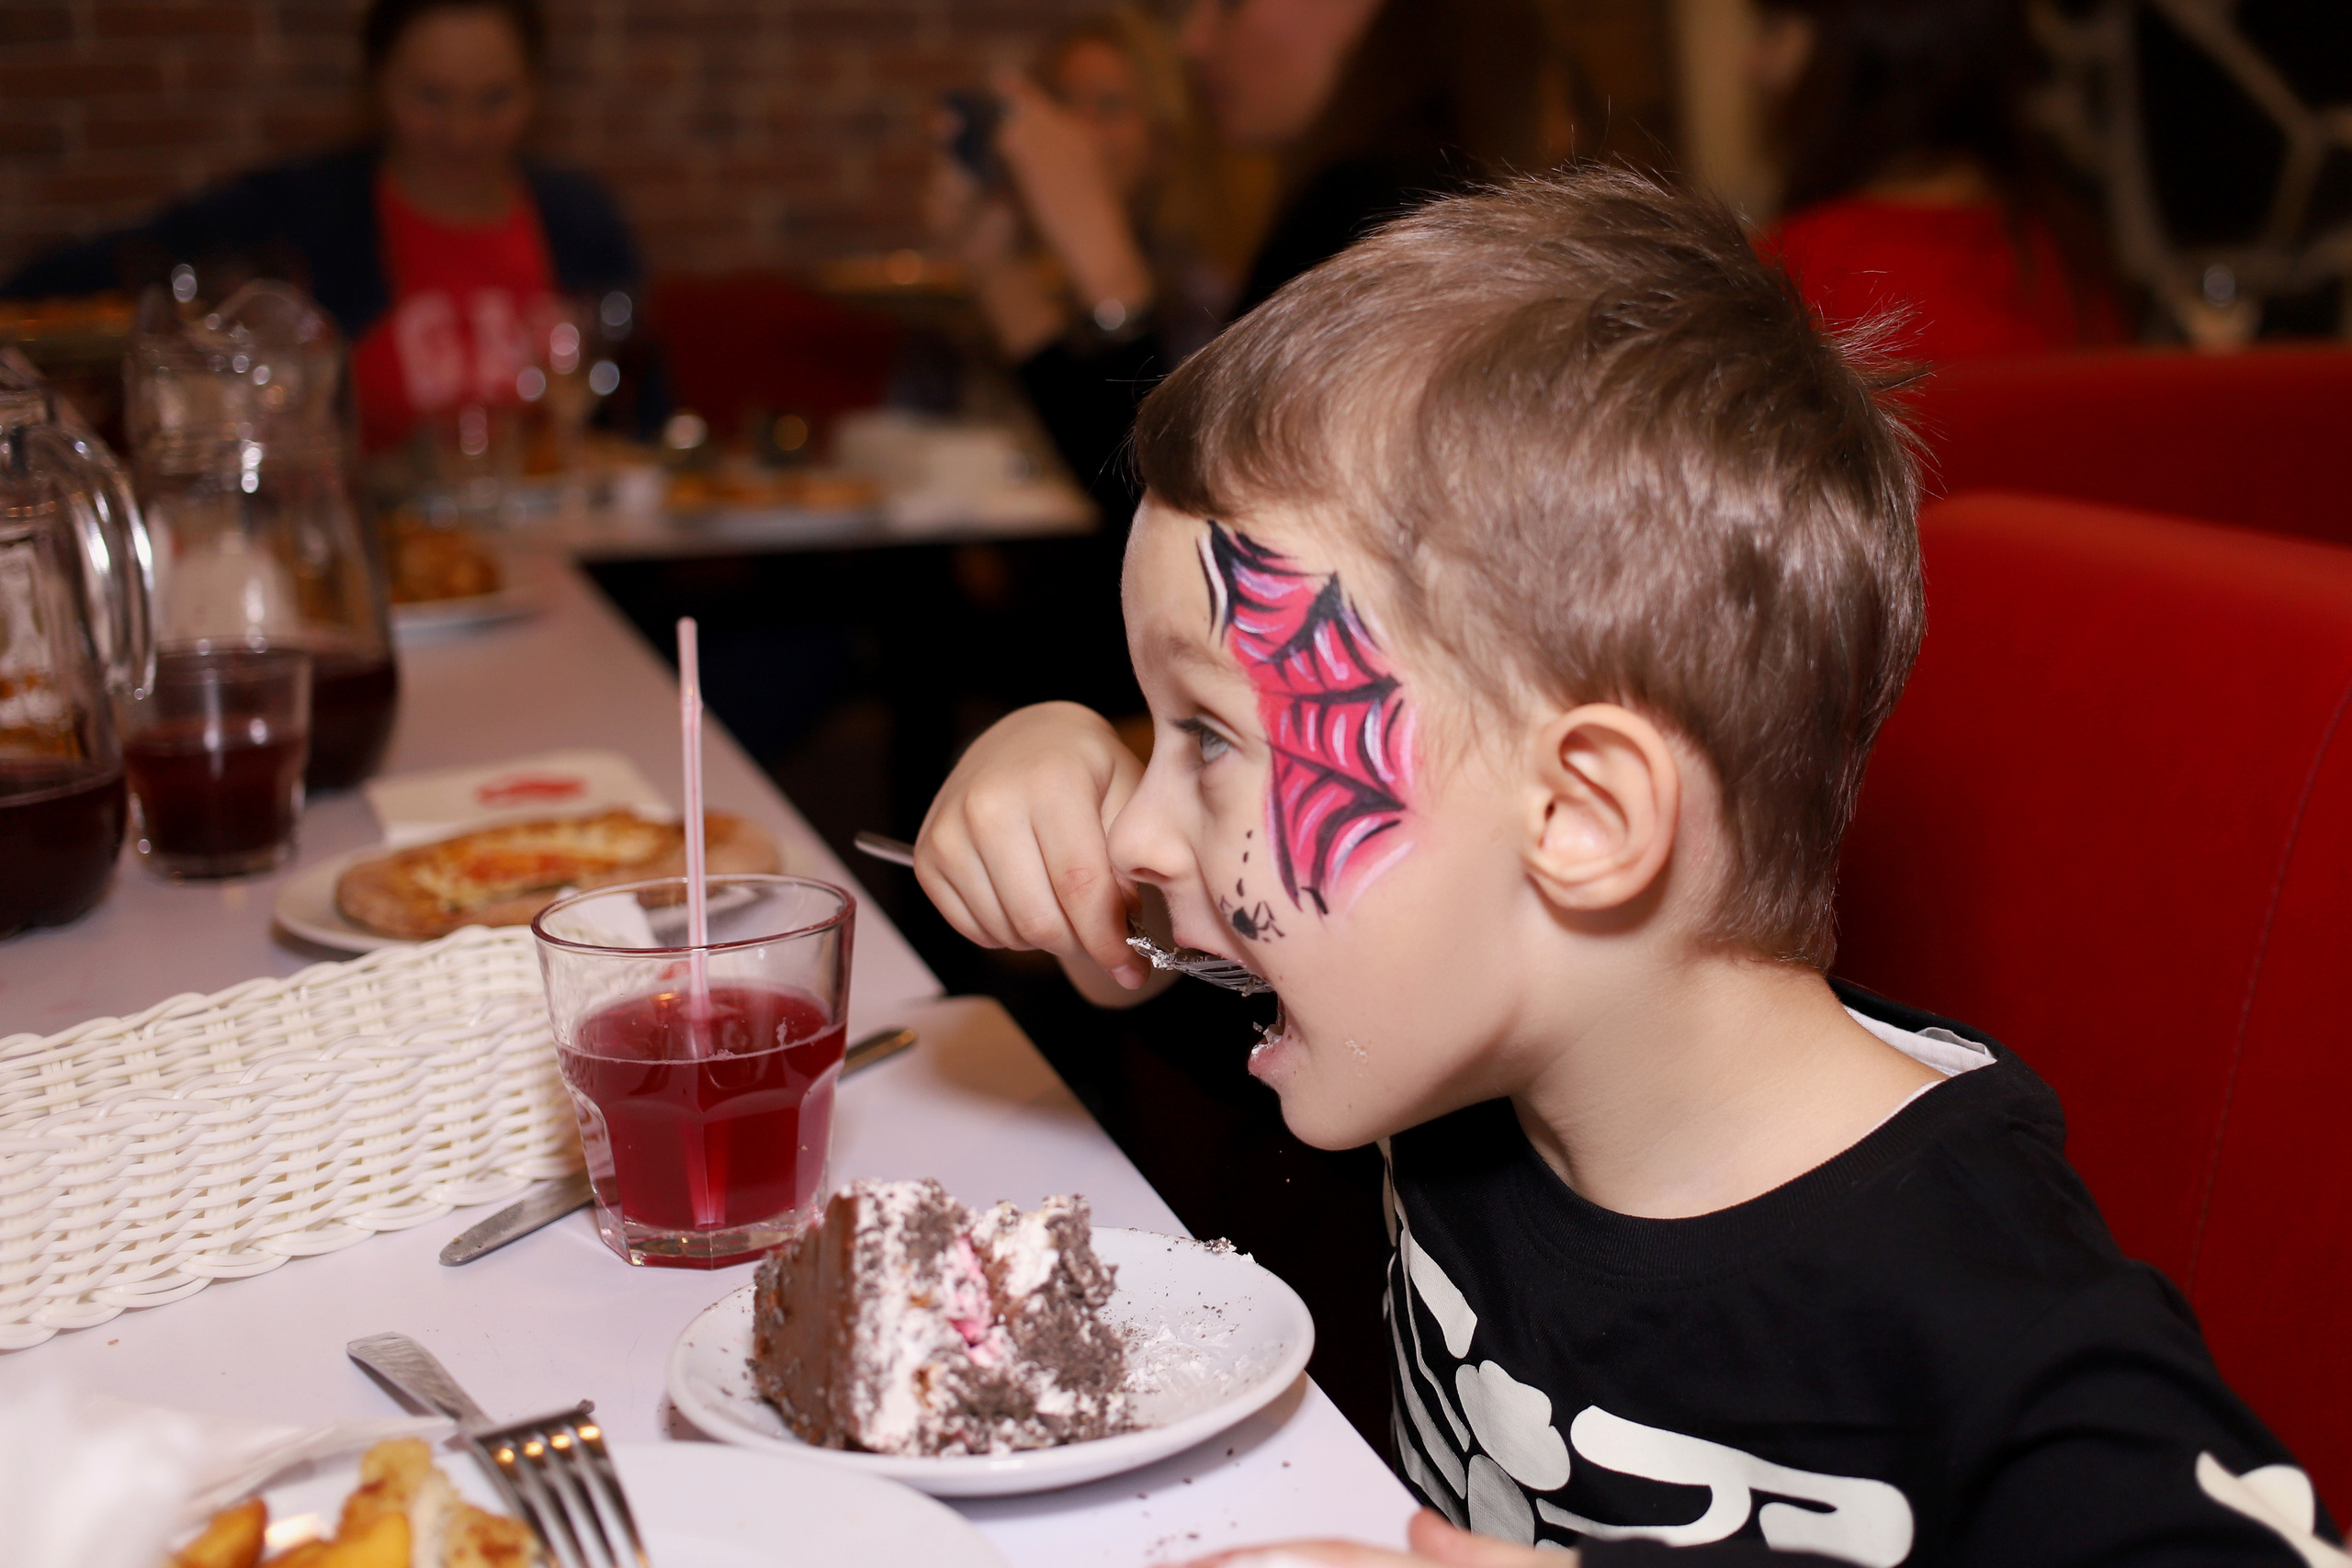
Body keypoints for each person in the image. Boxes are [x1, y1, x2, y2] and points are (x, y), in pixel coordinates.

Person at [909, 168, 2334, 1563]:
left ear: (1581, 818)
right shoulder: (1458, 1027)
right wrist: (1048, 758)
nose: (1147, 835)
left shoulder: (1978, 1307)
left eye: (1211, 736)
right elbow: (1123, 953)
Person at [937, 0, 1549, 533]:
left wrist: (1107, 271)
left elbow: (1196, 514)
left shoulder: (1384, 197)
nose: (1192, 40)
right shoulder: (1400, 179)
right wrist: (998, 269)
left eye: (1229, 2)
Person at [3, 0, 649, 452]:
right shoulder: (301, 213)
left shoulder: (582, 220)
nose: (461, 132)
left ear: (536, 90)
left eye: (493, 99)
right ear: (374, 85)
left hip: (577, 568)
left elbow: (640, 420)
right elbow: (86, 280)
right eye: (430, 96)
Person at [1751, 0, 2122, 364]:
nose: (1750, 65)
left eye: (1775, 26)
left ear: (1866, 40)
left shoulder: (1790, 271)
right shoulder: (2067, 254)